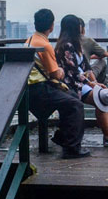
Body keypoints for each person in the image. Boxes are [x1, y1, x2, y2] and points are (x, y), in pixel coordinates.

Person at [55, 15, 108, 147]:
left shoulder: (74, 44)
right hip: (72, 85)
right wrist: (91, 84)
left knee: (105, 95)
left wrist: (95, 83)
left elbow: (86, 67)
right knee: (101, 98)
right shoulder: (66, 46)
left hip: (81, 82)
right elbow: (73, 72)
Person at [26, 9, 89, 159]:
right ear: (52, 26)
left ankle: (63, 137)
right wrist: (60, 70)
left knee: (71, 96)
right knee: (76, 104)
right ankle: (72, 149)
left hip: (30, 89)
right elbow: (55, 73)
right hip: (40, 90)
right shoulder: (45, 45)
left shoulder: (29, 40)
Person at [78, 17, 108, 84]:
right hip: (85, 75)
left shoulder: (62, 42)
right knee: (102, 61)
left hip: (70, 75)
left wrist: (90, 57)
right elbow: (105, 54)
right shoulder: (87, 41)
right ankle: (100, 85)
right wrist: (91, 57)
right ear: (83, 29)